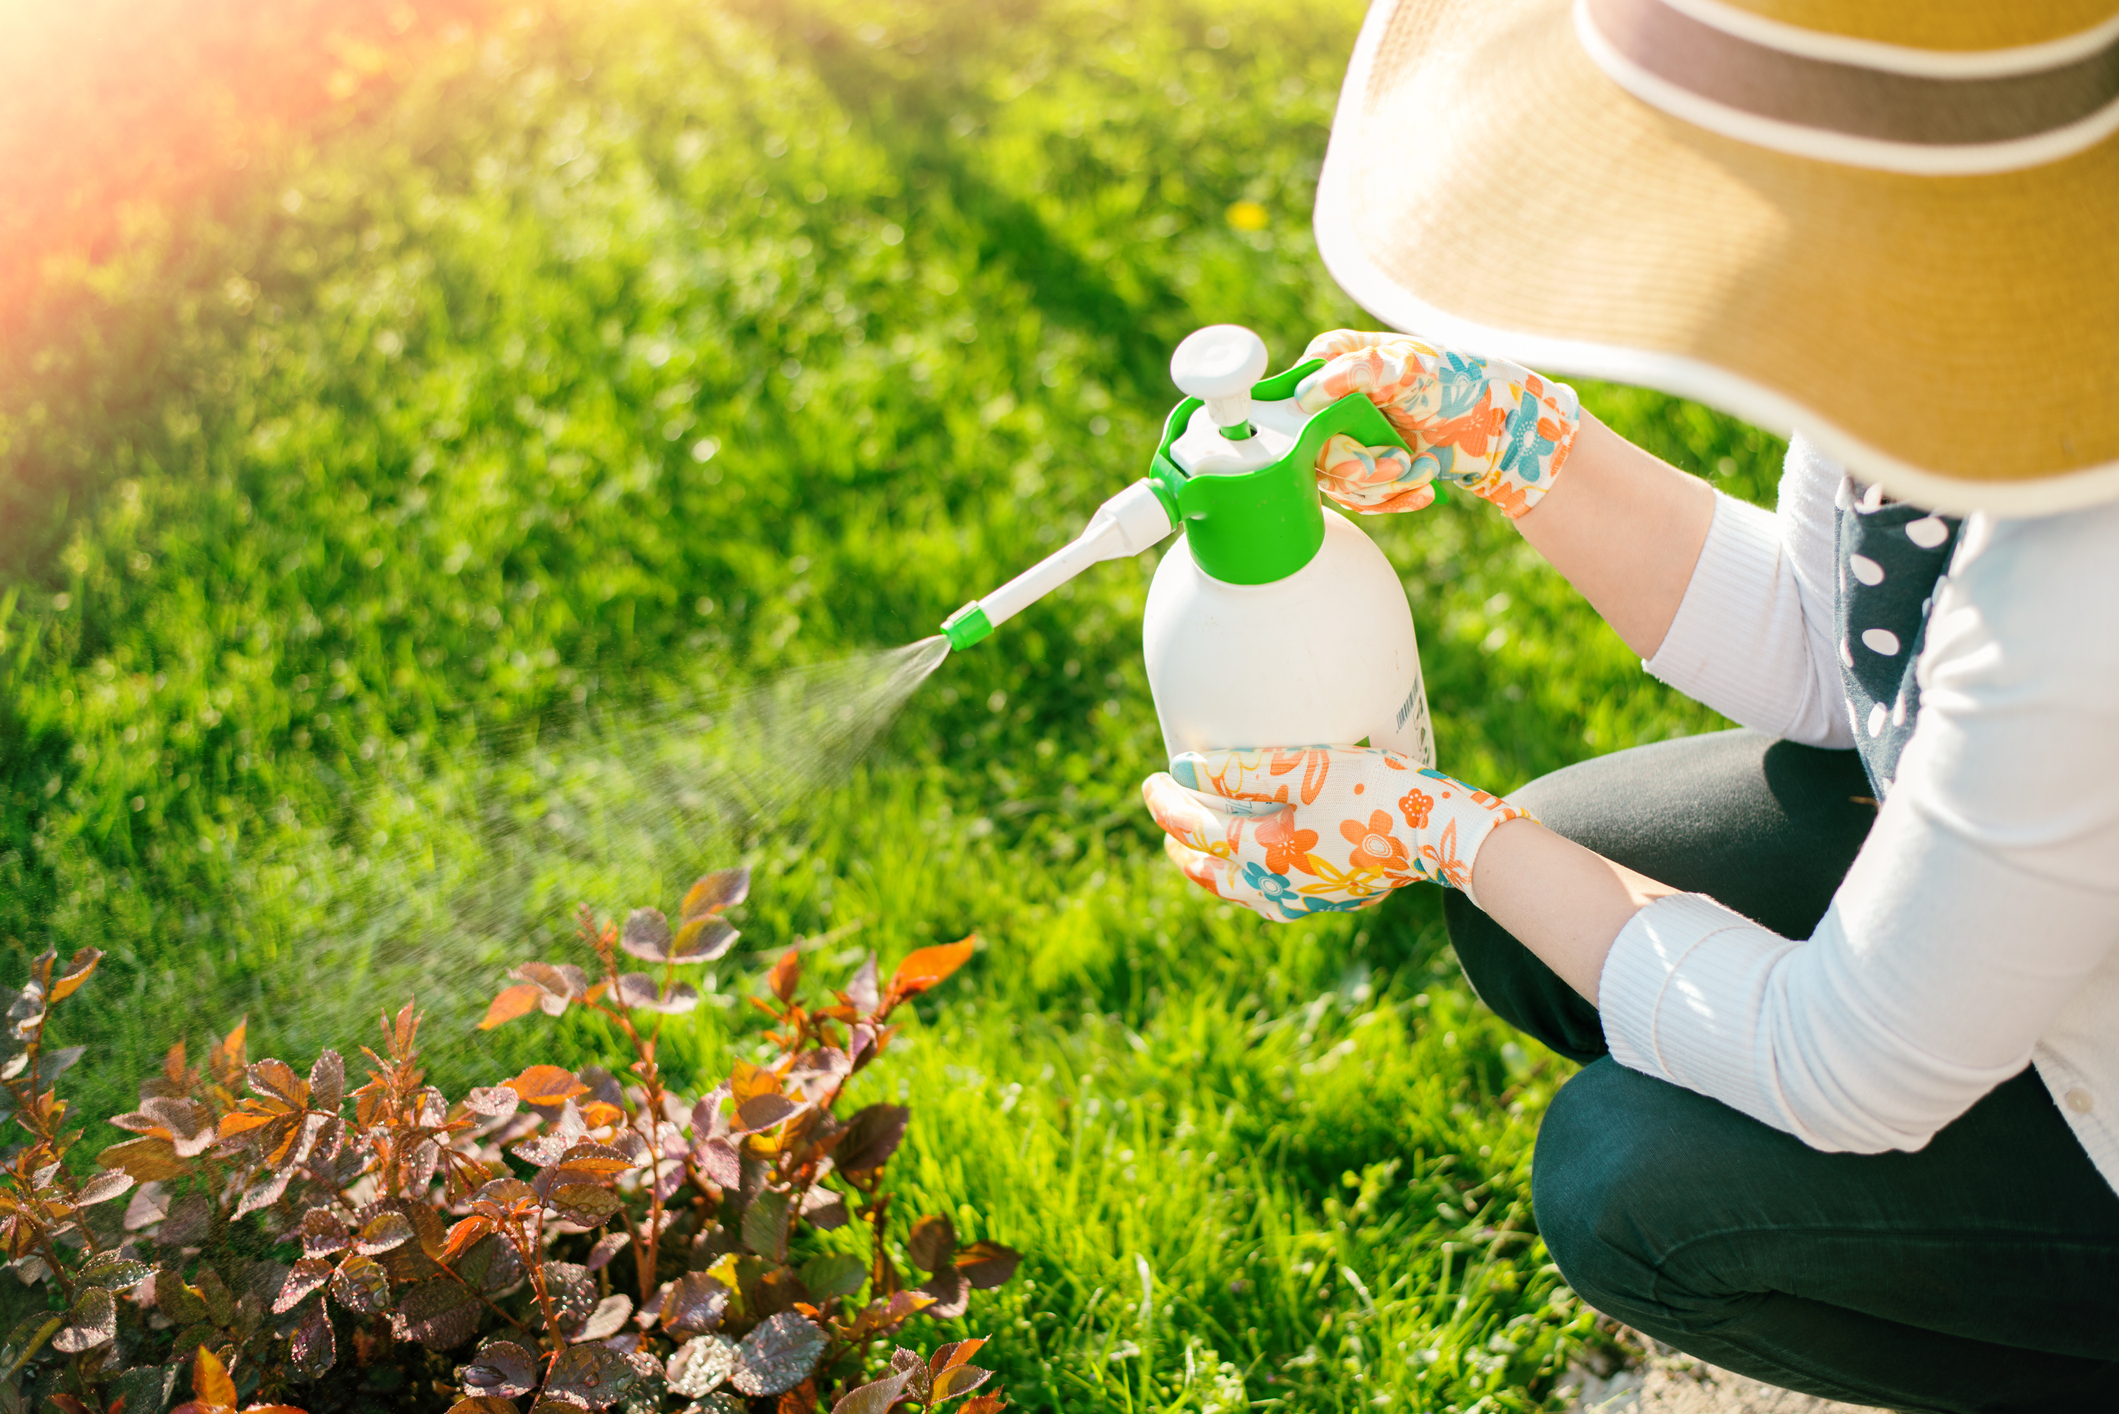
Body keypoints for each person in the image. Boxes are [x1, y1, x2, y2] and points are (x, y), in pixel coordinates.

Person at [1139, 1, 2119, 1408]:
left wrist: (1440, 829)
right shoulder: (1968, 321)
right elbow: (1848, 650)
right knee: (1560, 872)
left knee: (1629, 1179)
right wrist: (1522, 441)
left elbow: (1842, 1067)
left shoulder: (2086, 570)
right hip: (2073, 904)